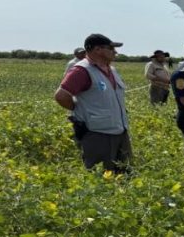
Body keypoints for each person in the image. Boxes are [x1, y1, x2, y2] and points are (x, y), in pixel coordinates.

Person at [54, 34, 133, 172]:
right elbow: (61, 96)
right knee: (101, 177)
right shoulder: (81, 70)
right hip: (97, 134)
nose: (115, 52)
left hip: (120, 131)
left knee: (125, 173)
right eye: (111, 48)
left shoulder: (111, 70)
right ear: (98, 50)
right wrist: (78, 109)